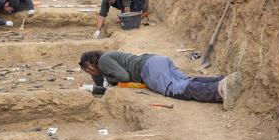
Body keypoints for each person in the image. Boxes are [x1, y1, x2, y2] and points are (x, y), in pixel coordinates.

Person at [79, 51, 243, 110]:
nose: (91, 72)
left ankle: (219, 91)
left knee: (177, 89)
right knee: (185, 80)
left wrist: (108, 79)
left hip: (148, 69)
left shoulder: (103, 62)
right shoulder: (107, 58)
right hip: (156, 60)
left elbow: (124, 77)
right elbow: (103, 83)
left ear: (90, 63)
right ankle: (222, 80)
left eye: (88, 69)